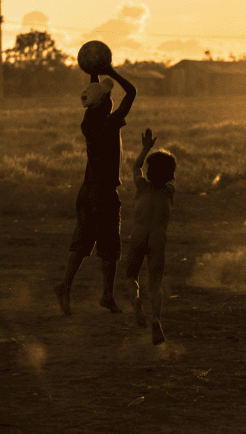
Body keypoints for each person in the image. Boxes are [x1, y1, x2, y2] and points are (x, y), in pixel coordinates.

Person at [54, 65, 136, 315]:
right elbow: (131, 92)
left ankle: (66, 286)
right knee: (110, 246)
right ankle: (107, 295)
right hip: (104, 193)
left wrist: (94, 70)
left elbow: (97, 94)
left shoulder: (89, 120)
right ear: (103, 103)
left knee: (82, 241)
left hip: (87, 191)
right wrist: (110, 69)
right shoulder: (110, 124)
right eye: (107, 97)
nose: (111, 99)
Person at [124, 128, 176, 346]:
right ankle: (156, 318)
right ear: (170, 175)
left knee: (131, 277)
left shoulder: (142, 187)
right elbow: (168, 177)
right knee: (155, 283)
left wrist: (146, 148)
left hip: (138, 234)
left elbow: (136, 167)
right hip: (157, 238)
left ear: (150, 172)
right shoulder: (169, 191)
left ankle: (136, 300)